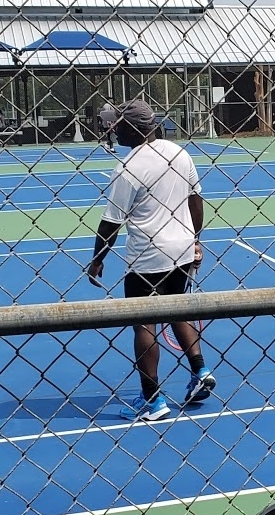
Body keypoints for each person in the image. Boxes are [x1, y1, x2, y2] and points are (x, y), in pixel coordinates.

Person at [87, 99, 216, 421]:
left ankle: (153, 400)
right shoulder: (178, 153)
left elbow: (111, 223)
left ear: (131, 127)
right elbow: (195, 201)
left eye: (116, 125)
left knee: (144, 324)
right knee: (176, 308)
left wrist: (97, 260)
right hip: (182, 249)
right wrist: (194, 239)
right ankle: (200, 370)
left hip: (147, 256)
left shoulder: (128, 168)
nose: (112, 131)